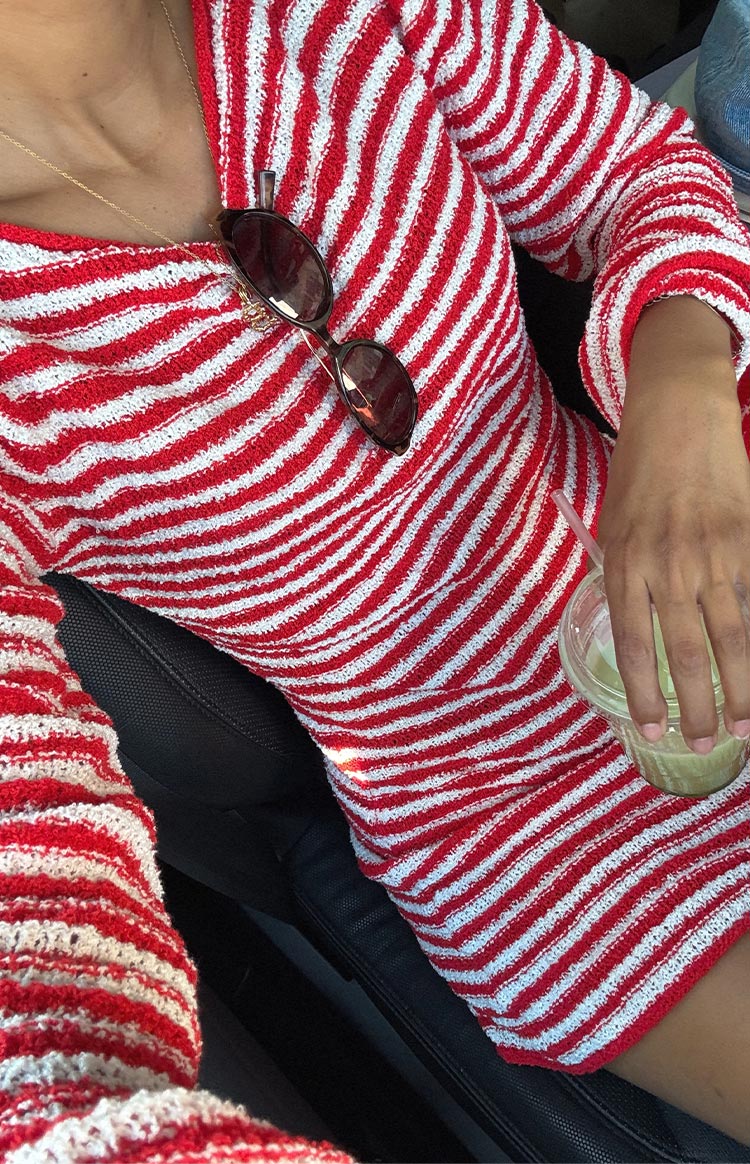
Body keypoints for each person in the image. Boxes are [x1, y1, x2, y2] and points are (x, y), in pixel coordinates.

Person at [0, 0, 749, 1157]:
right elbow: (35, 945)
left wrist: (682, 396)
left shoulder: (347, 15)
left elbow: (633, 173)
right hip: (516, 828)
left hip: (714, 572)